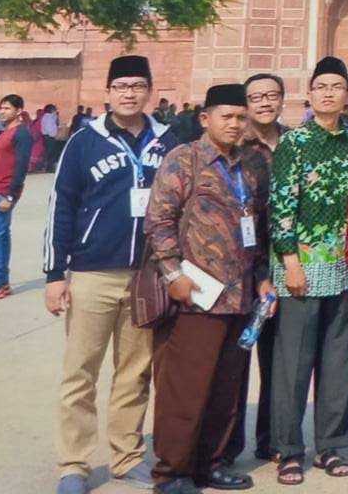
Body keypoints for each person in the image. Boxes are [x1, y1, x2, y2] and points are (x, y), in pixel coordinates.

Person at [44, 55, 177, 494]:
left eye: (138, 85)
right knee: (80, 372)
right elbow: (61, 205)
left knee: (134, 372)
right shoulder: (86, 141)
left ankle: (126, 456)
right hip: (93, 272)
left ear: (150, 90)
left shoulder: (167, 140)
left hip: (147, 275)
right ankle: (74, 464)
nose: (129, 93)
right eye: (121, 86)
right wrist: (54, 274)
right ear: (107, 92)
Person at [144, 83, 276, 493]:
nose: (236, 124)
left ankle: (211, 463)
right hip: (196, 293)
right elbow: (159, 221)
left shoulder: (253, 164)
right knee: (185, 387)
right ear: (206, 118)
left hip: (238, 294)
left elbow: (260, 226)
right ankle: (172, 472)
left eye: (241, 117)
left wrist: (262, 278)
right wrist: (172, 274)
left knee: (226, 388)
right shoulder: (184, 160)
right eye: (228, 116)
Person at [269, 56, 348, 485]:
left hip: (343, 268)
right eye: (321, 86)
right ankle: (288, 448)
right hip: (301, 270)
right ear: (309, 94)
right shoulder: (294, 143)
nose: (328, 93)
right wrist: (289, 260)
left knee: (338, 361)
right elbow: (281, 206)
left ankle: (331, 445)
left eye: (336, 86)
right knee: (294, 363)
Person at [222, 73, 289, 466]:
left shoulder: (297, 143)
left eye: (272, 96)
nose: (265, 103)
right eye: (257, 97)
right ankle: (227, 447)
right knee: (234, 360)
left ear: (283, 99)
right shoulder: (233, 146)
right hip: (242, 269)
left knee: (278, 360)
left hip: (286, 266)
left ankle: (273, 439)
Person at [0, 93, 33, 299]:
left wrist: (11, 196)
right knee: (1, 236)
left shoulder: (22, 134)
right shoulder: (4, 133)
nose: (2, 111)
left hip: (5, 191)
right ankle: (2, 283)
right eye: (1, 108)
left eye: (7, 108)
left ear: (18, 111)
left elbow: (22, 166)